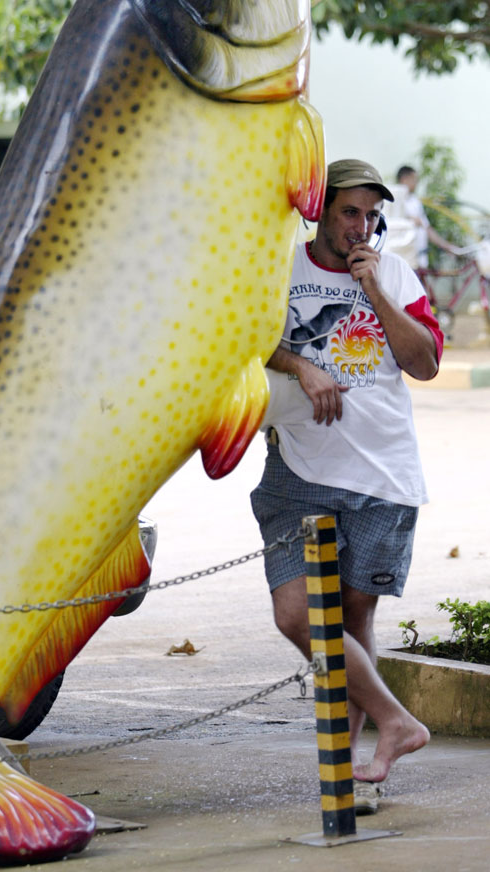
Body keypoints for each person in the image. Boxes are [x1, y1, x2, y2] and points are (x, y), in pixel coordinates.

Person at [251, 158, 444, 808]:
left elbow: (424, 364)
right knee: (300, 614)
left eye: (371, 214)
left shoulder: (392, 272)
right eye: (349, 212)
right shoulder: (282, 271)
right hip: (297, 470)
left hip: (381, 473)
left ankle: (356, 768)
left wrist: (376, 292)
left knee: (356, 618)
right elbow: (244, 340)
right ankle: (397, 722)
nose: (362, 226)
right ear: (321, 212)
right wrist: (301, 366)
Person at [393, 165, 458, 271]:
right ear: (404, 179)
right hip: (403, 261)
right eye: (414, 180)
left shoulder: (414, 201)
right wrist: (410, 220)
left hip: (419, 259)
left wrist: (447, 246)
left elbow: (426, 228)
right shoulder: (393, 201)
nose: (416, 183)